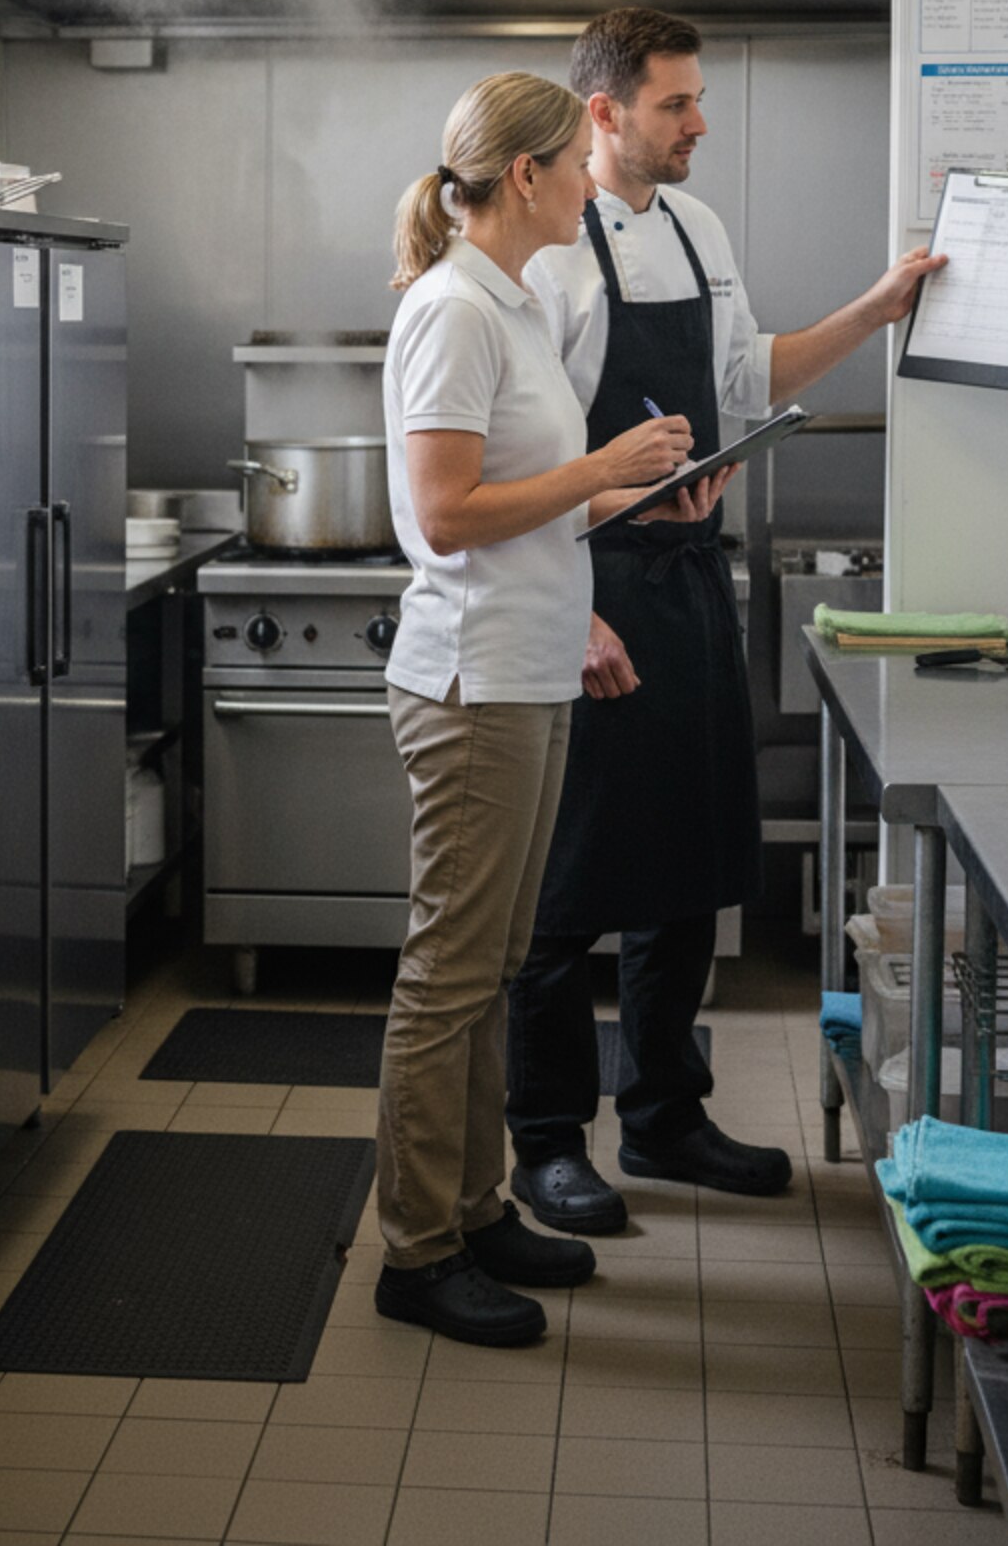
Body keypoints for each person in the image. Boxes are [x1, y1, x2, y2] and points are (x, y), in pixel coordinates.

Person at [506, 9, 947, 1234]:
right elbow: (522, 455)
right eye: (676, 103)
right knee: (564, 888)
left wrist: (877, 305)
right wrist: (577, 590)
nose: (700, 121)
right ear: (603, 113)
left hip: (691, 581)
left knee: (690, 868)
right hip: (590, 587)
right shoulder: (546, 256)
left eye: (699, 99)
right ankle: (543, 1139)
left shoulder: (698, 228)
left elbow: (749, 377)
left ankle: (661, 1115)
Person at [374, 70, 697, 1348]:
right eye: (576, 162)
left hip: (529, 664)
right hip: (470, 684)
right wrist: (599, 467)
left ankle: (475, 1205)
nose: (590, 182)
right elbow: (445, 514)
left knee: (493, 964)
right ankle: (413, 1248)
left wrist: (635, 494)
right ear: (525, 176)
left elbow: (526, 495)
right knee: (447, 974)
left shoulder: (508, 303)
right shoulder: (452, 312)